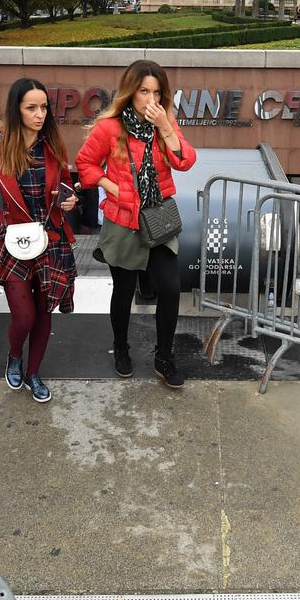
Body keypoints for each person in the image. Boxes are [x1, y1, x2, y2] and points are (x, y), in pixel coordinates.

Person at [75, 59, 197, 388]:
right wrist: (110, 186)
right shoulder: (110, 128)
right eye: (144, 91)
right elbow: (84, 163)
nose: (150, 99)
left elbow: (185, 161)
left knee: (170, 289)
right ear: (131, 92)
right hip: (122, 221)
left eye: (156, 92)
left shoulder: (165, 122)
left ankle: (164, 356)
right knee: (124, 290)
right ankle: (121, 348)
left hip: (157, 219)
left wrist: (167, 128)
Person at [0, 78, 79, 404]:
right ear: (16, 109)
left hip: (52, 238)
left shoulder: (53, 143)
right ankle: (15, 355)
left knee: (44, 312)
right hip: (14, 238)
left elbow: (67, 183)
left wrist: (69, 199)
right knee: (25, 317)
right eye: (31, 107)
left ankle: (33, 373)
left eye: (44, 107)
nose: (40, 114)